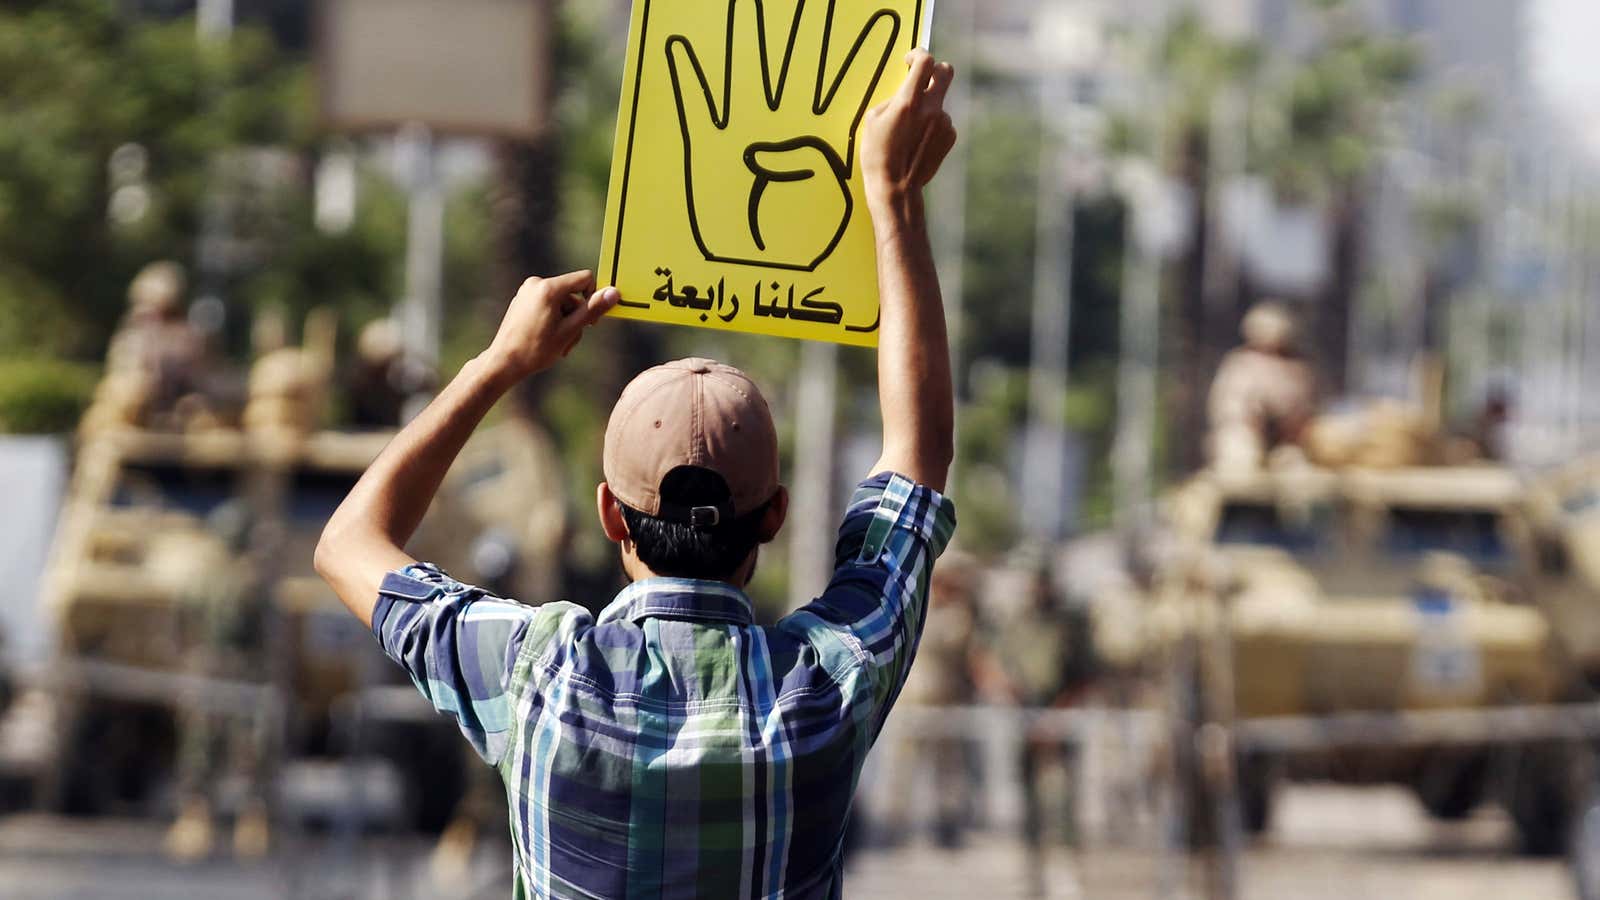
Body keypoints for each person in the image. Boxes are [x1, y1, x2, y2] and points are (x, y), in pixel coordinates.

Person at [315, 50, 959, 898]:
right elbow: (918, 453)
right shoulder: (827, 683)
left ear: (611, 518)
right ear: (774, 518)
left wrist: (499, 365)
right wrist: (893, 202)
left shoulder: (536, 675)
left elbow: (349, 541)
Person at [1207, 302, 1317, 472]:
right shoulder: (1240, 364)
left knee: (1298, 467)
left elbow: (1305, 411)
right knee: (1239, 456)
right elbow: (1230, 410)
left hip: (1287, 443)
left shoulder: (1297, 368)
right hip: (1246, 437)